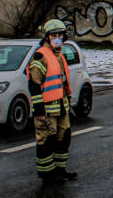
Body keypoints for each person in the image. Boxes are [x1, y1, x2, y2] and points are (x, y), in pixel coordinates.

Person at [26, 19, 77, 185]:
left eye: (60, 35)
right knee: (46, 141)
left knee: (64, 137)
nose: (57, 38)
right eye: (54, 35)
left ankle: (59, 171)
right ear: (47, 37)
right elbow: (34, 84)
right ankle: (47, 175)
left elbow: (61, 82)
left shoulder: (59, 55)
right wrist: (39, 109)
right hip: (46, 109)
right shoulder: (41, 55)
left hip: (61, 106)